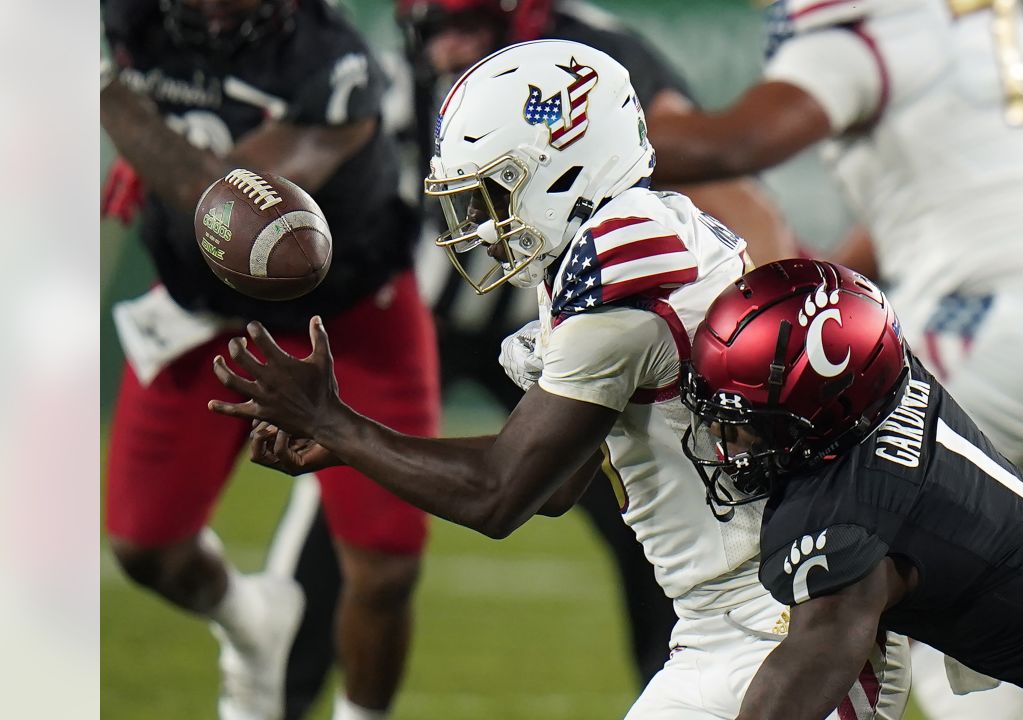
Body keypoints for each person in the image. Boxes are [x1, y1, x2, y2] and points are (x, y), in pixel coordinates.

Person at [209, 39, 909, 720]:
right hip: (741, 622)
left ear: (562, 171)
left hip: (794, 621)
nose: (477, 227)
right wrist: (350, 445)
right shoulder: (615, 241)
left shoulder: (626, 262)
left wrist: (336, 421)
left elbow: (499, 493)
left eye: (490, 194)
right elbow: (551, 482)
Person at [641, 1, 1023, 716]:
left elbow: (734, 145)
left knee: (817, 548)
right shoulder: (960, 22)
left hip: (988, 321)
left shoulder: (877, 22)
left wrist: (586, 143)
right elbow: (923, 199)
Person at [99, 2, 440, 719]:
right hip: (205, 317)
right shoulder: (128, 18)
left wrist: (112, 103)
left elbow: (226, 206)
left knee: (384, 564)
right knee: (144, 546)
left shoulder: (334, 63)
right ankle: (252, 622)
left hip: (346, 318)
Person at [680, 259, 1023, 720]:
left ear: (816, 410)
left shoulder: (854, 511)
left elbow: (816, 652)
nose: (726, 442)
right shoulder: (883, 390)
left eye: (741, 422)